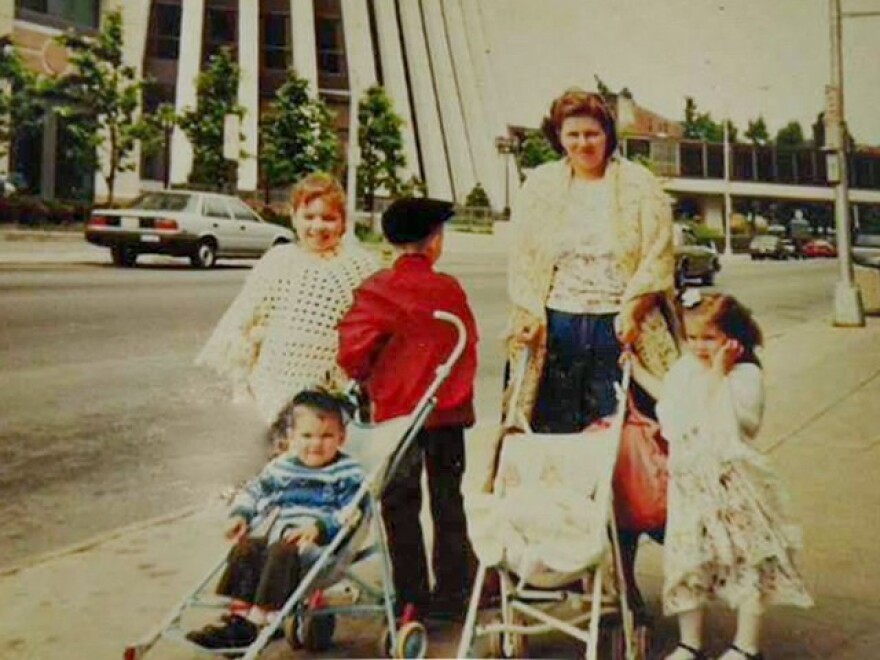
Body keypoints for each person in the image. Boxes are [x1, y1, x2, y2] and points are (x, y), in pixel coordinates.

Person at [503, 87, 677, 614]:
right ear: (558, 137)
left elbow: (658, 254)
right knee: (555, 454)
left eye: (592, 134)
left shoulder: (639, 185)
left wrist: (634, 306)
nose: (583, 144)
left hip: (619, 330)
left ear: (608, 136)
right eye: (572, 134)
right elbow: (523, 259)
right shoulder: (540, 186)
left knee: (621, 455)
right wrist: (529, 314)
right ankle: (565, 570)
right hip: (556, 331)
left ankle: (623, 580)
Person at [634, 291, 812, 660]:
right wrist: (636, 370)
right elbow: (673, 404)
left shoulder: (744, 375)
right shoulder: (685, 369)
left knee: (746, 560)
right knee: (688, 560)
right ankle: (690, 642)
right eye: (692, 338)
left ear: (733, 338)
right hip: (690, 484)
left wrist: (719, 370)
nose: (700, 346)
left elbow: (733, 422)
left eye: (709, 338)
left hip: (732, 484)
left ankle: (746, 646)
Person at [337, 197, 479, 620]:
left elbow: (353, 352)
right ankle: (454, 590)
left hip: (396, 417)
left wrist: (371, 378)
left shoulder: (378, 288)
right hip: (446, 413)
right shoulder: (448, 288)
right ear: (435, 241)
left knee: (399, 504)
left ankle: (411, 596)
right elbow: (465, 345)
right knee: (448, 500)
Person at [196, 173, 378, 434]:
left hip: (330, 389)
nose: (318, 226)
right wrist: (241, 383)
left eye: (328, 218)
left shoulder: (359, 265)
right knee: (278, 445)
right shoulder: (278, 260)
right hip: (274, 380)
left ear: (343, 222)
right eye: (309, 217)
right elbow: (243, 321)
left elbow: (374, 328)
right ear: (293, 217)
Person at [186, 389, 365, 650]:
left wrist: (320, 527)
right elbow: (254, 490)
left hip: (317, 549)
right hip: (278, 542)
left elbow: (353, 509)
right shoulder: (283, 466)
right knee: (247, 547)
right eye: (307, 436)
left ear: (342, 437)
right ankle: (239, 619)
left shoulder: (346, 471)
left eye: (327, 436)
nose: (316, 444)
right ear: (291, 436)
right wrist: (241, 515)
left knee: (282, 550)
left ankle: (259, 621)